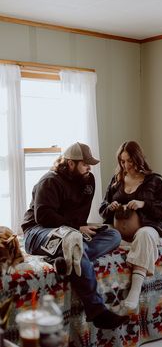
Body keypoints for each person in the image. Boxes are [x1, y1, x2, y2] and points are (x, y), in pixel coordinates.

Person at [21, 141, 129, 329]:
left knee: (114, 236)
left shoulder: (88, 180)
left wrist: (82, 230)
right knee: (73, 241)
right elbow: (43, 216)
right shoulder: (49, 181)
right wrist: (76, 229)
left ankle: (65, 255)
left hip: (71, 233)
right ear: (70, 163)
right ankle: (97, 311)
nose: (89, 167)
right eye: (85, 163)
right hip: (38, 232)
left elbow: (80, 215)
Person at [99, 141, 162, 313]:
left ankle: (134, 290)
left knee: (144, 236)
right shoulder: (116, 180)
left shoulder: (154, 181)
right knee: (97, 233)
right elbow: (102, 209)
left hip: (147, 228)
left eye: (130, 161)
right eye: (122, 161)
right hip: (119, 234)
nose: (126, 165)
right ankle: (136, 248)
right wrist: (109, 208)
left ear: (138, 159)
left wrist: (144, 204)